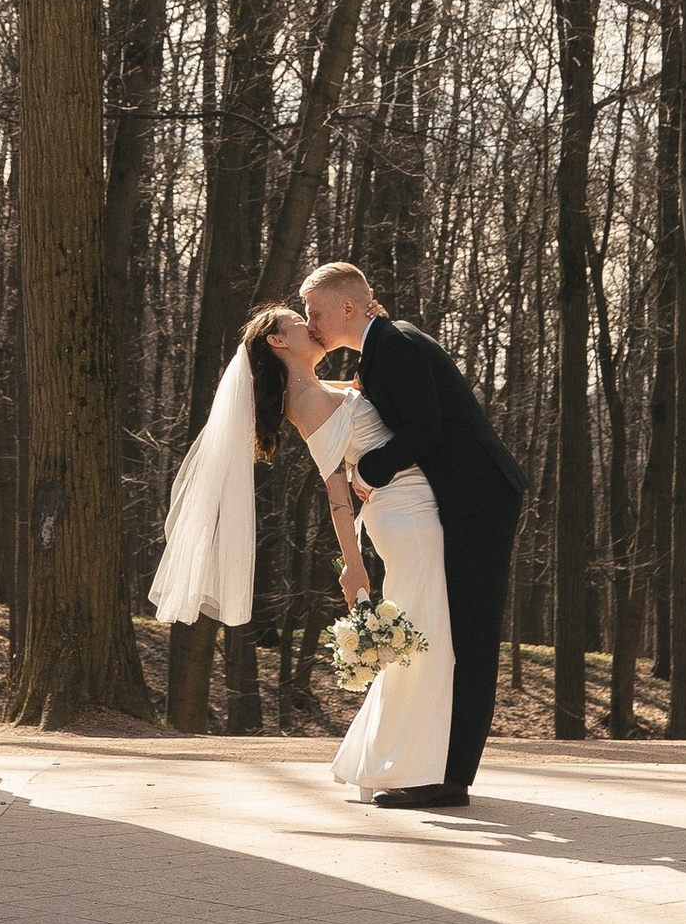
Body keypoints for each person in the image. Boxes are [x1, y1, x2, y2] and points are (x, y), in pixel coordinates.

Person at [146, 299, 455, 805]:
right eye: (298, 322)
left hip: (408, 506)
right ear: (277, 341)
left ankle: (392, 760)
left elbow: (371, 394)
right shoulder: (306, 401)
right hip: (403, 516)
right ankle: (407, 767)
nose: (311, 327)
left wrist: (370, 322)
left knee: (424, 635)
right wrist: (352, 566)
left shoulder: (318, 390)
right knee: (424, 640)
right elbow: (335, 493)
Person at [300, 258, 526, 811]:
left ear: (349, 307)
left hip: (480, 499)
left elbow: (428, 429)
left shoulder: (395, 344)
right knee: (453, 630)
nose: (311, 324)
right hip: (464, 500)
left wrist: (366, 472)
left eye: (317, 313)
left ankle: (449, 780)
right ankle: (437, 766)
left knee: (470, 635)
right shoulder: (382, 350)